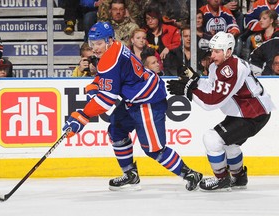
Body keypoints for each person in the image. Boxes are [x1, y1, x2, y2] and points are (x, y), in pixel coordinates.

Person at [62, 21, 203, 191]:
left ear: (109, 41)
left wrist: (82, 117)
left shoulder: (109, 59)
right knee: (116, 129)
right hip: (135, 98)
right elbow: (111, 77)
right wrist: (96, 84)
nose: (95, 48)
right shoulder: (115, 48)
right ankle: (130, 174)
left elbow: (107, 99)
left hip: (147, 101)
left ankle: (189, 173)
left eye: (99, 43)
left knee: (154, 149)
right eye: (92, 44)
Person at [167, 31, 274, 191]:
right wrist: (194, 80)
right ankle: (238, 177)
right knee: (229, 143)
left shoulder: (231, 69)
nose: (213, 55)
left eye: (218, 51)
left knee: (212, 139)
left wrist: (188, 89)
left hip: (253, 115)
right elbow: (212, 88)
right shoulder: (218, 65)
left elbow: (211, 102)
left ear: (229, 51)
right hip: (249, 113)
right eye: (212, 50)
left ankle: (222, 179)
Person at [143, 5, 181, 76]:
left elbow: (179, 43)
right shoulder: (143, 33)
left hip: (170, 68)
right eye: (148, 19)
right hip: (150, 69)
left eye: (153, 18)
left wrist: (168, 48)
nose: (150, 21)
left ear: (158, 18)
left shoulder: (171, 30)